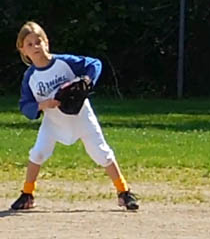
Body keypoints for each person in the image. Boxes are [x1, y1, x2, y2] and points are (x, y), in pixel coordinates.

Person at [10, 21, 138, 211]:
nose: (36, 46)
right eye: (29, 44)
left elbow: (94, 63)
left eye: (39, 41)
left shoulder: (63, 62)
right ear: (22, 50)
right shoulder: (30, 77)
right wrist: (41, 105)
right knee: (37, 153)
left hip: (81, 116)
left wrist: (87, 80)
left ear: (47, 42)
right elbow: (25, 105)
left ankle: (124, 192)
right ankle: (27, 194)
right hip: (53, 121)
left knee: (101, 152)